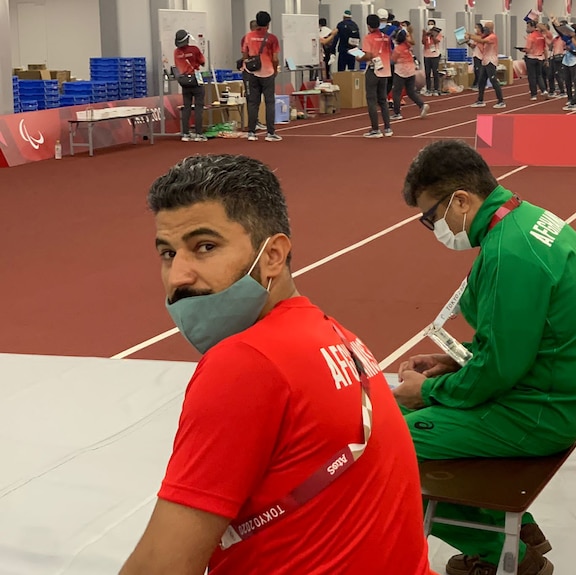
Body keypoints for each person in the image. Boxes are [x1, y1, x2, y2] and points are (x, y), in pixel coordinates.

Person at [118, 154, 432, 575]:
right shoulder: (339, 336)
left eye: (204, 247)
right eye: (167, 254)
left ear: (273, 256)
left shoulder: (245, 363)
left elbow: (161, 566)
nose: (178, 276)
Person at [394, 140, 576, 575]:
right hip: (547, 387)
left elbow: (498, 370)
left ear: (460, 200)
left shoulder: (510, 253)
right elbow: (518, 341)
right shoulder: (525, 221)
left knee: (390, 445)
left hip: (538, 411)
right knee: (411, 418)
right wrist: (455, 362)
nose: (431, 227)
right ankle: (519, 530)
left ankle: (503, 552)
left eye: (429, 217)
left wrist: (430, 391)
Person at [241, 11, 282, 141]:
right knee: (269, 102)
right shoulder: (272, 38)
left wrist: (249, 64)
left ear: (257, 22)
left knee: (253, 102)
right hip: (267, 71)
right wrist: (275, 70)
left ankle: (251, 132)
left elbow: (244, 54)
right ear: (268, 24)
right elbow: (275, 58)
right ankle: (270, 133)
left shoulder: (248, 36)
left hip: (252, 72)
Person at [354, 13, 393, 138]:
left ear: (368, 25)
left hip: (373, 70)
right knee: (383, 99)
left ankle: (375, 129)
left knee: (371, 99)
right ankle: (387, 128)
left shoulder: (368, 38)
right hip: (385, 70)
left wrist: (359, 58)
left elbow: (368, 55)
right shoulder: (386, 37)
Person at [173, 29, 206, 142]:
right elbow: (202, 62)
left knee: (186, 107)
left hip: (184, 82)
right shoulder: (194, 49)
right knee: (198, 107)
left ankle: (185, 134)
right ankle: (198, 134)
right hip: (195, 80)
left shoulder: (176, 52)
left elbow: (177, 66)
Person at [391, 26, 430, 120]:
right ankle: (421, 105)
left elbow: (392, 61)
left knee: (396, 92)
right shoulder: (407, 45)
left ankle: (397, 113)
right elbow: (411, 41)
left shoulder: (397, 49)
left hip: (401, 72)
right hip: (411, 70)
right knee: (411, 91)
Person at [465, 22, 505, 108]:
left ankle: (501, 101)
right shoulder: (486, 36)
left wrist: (470, 36)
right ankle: (480, 100)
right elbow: (479, 38)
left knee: (493, 80)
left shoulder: (493, 37)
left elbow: (482, 40)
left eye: (486, 27)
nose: (485, 29)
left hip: (491, 61)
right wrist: (469, 37)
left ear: (490, 28)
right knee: (481, 81)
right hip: (484, 61)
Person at [422, 19, 444, 96]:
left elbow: (436, 41)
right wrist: (424, 34)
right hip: (426, 54)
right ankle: (428, 89)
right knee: (427, 73)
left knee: (435, 72)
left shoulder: (438, 32)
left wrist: (432, 35)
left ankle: (436, 89)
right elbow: (423, 42)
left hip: (435, 55)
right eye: (429, 24)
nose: (430, 25)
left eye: (431, 24)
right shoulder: (426, 32)